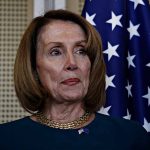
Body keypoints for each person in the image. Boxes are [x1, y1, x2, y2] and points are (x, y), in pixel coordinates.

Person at [0, 9, 149, 150]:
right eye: (56, 52)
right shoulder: (5, 139)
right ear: (34, 67)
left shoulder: (131, 137)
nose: (72, 63)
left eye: (81, 51)